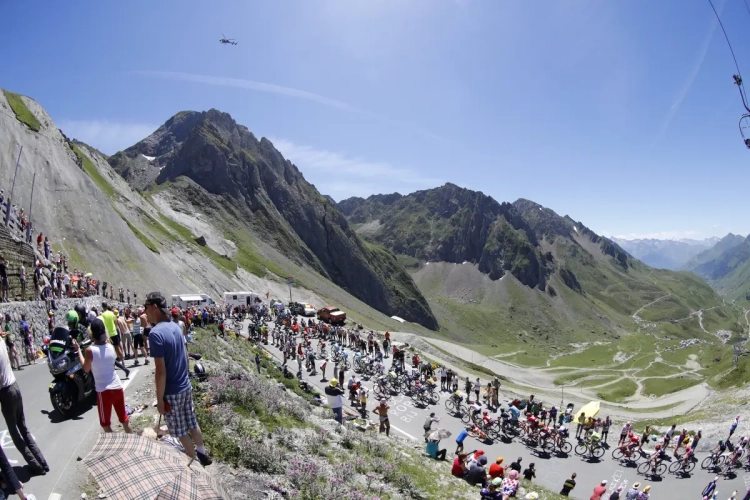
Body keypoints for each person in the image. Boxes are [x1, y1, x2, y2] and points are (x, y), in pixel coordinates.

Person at [144, 292, 210, 466]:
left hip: (172, 391)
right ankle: (202, 452)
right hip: (185, 385)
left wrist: (159, 400)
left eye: (146, 307)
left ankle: (195, 463)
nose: (145, 311)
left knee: (180, 431)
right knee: (192, 422)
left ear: (154, 307)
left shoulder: (155, 334)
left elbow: (160, 372)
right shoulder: (175, 326)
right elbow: (186, 356)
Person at [0, 321, 47, 476]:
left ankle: (36, 466)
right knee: (23, 428)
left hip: (6, 391)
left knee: (14, 432)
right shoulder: (1, 341)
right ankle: (42, 461)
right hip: (15, 386)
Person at [73, 319, 132, 434]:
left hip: (104, 391)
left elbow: (86, 368)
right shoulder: (110, 346)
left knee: (105, 424)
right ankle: (133, 442)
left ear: (92, 334)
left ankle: (114, 446)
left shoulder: (90, 350)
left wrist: (79, 351)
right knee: (124, 419)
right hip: (118, 387)